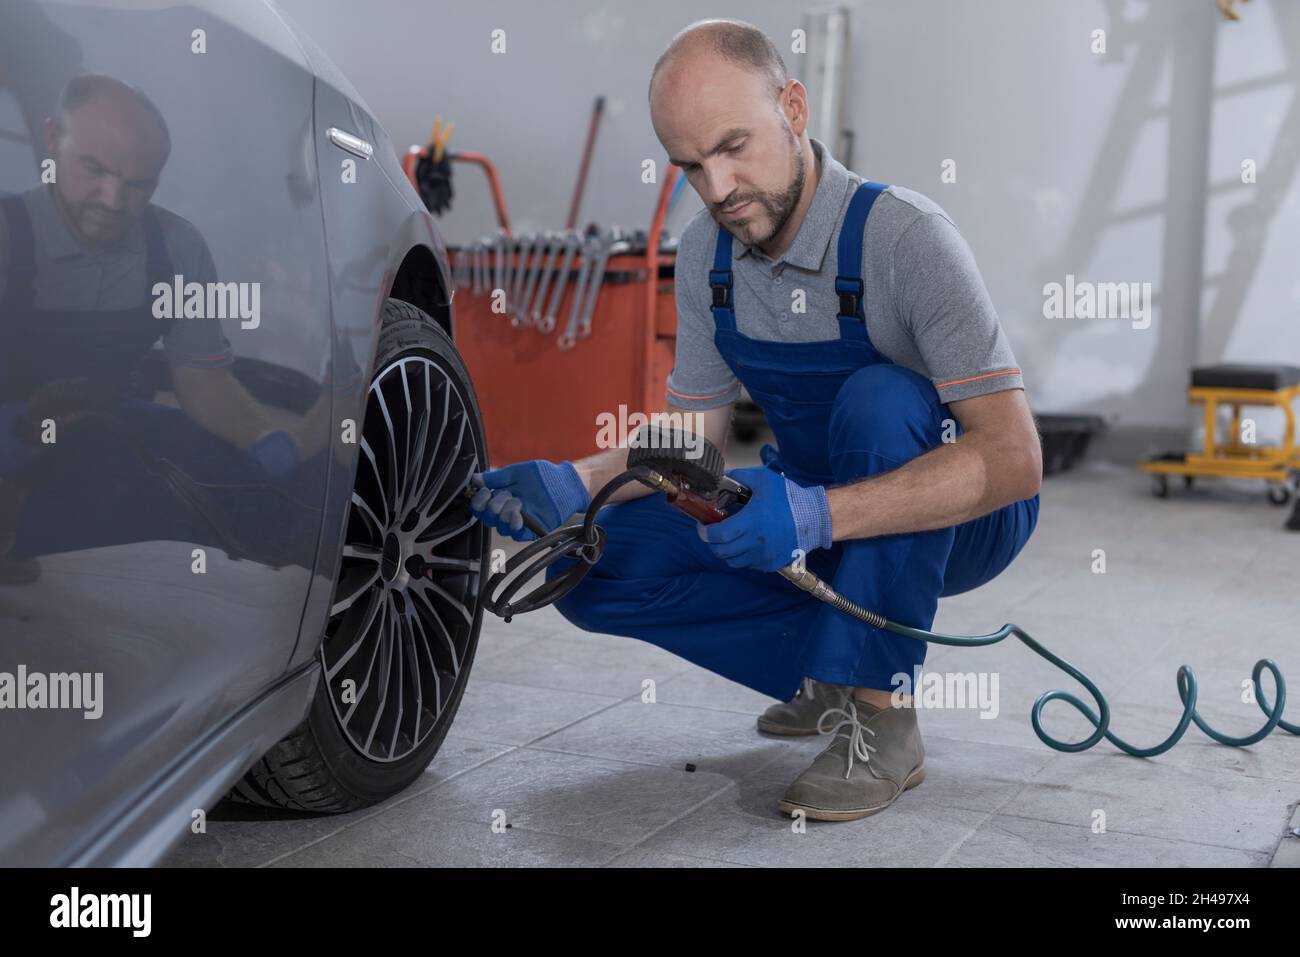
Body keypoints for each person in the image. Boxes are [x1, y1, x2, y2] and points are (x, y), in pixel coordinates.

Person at [470, 19, 1042, 822]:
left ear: (795, 109)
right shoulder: (706, 255)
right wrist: (579, 479)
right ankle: (827, 670)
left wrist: (818, 512)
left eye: (735, 145)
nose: (719, 186)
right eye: (691, 165)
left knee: (881, 399)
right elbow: (690, 447)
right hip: (824, 500)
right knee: (595, 566)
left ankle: (881, 716)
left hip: (964, 512)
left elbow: (1015, 458)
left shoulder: (905, 238)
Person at [0, 74, 322, 579]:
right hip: (12, 436)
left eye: (137, 185)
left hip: (104, 430)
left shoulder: (176, 249)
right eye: (94, 170)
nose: (112, 201)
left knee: (280, 491)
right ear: (52, 140)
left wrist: (265, 441)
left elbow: (203, 380)